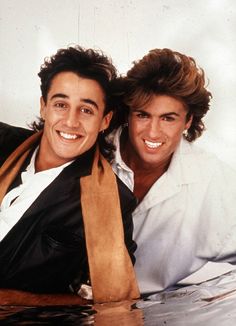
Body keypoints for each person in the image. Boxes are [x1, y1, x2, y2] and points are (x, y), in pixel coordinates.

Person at [0, 45, 140, 303]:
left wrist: (11, 299)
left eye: (86, 110)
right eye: (61, 104)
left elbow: (109, 302)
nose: (71, 121)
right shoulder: (3, 142)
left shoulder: (114, 201)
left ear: (105, 121)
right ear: (44, 107)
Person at [111, 48, 236, 295]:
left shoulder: (212, 179)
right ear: (128, 114)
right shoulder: (91, 153)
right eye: (143, 115)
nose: (153, 132)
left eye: (168, 118)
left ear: (188, 120)